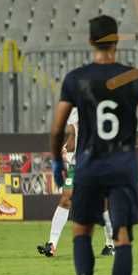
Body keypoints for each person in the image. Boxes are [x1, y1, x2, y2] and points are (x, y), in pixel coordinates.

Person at [50, 15, 138, 275]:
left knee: (81, 231)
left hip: (88, 164)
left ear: (90, 41)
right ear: (116, 40)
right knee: (123, 238)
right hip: (122, 165)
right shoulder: (135, 77)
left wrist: (56, 160)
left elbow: (57, 128)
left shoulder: (75, 79)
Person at [37, 107, 115, 258]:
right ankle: (52, 244)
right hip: (77, 165)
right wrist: (65, 148)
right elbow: (74, 136)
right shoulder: (74, 110)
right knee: (66, 199)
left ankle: (111, 243)